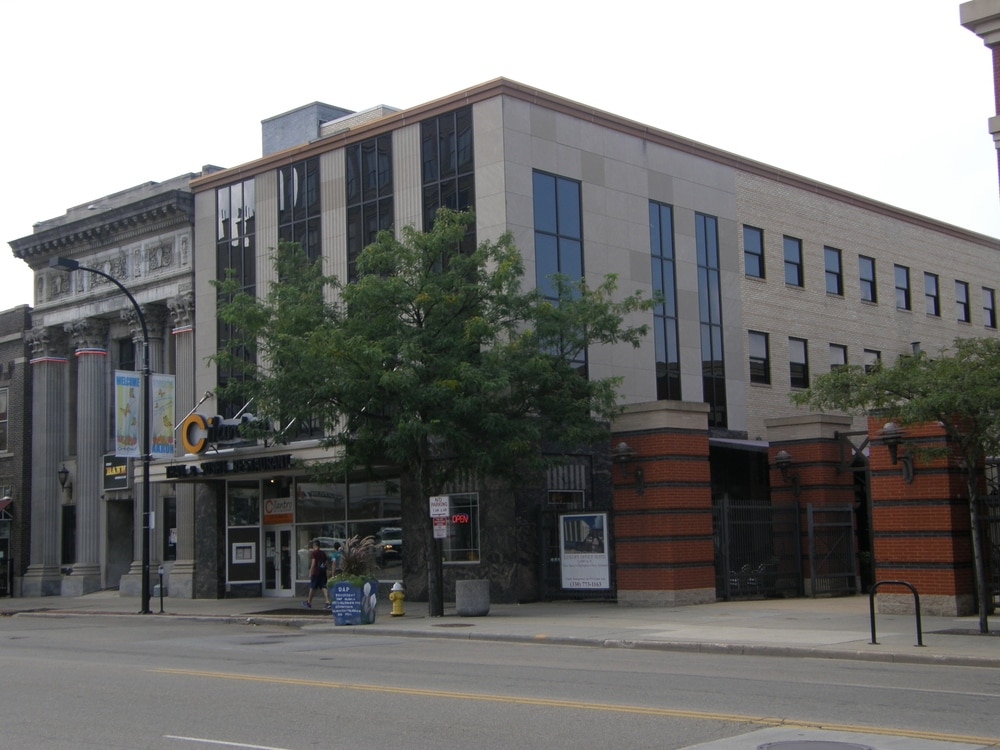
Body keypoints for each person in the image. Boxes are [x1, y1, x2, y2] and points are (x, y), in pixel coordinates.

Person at [302, 540, 331, 609]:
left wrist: (310, 571)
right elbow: (326, 562)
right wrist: (324, 568)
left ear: (314, 546)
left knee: (312, 587)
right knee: (324, 586)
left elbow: (313, 563)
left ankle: (309, 602)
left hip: (315, 572)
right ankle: (328, 602)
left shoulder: (314, 553)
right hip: (322, 572)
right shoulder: (323, 553)